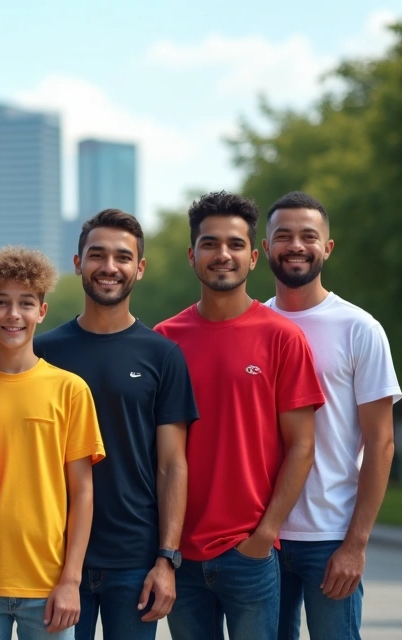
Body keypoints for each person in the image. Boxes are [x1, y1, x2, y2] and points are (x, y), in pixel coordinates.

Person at [155, 191, 324, 640]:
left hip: (247, 552)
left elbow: (302, 445)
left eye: (234, 245)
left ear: (253, 257)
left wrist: (264, 535)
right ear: (193, 256)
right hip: (179, 558)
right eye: (210, 244)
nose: (222, 255)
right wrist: (165, 549)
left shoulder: (283, 338)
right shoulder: (164, 341)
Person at [34, 209, 197, 640]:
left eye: (123, 257)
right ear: (78, 263)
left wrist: (166, 559)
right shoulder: (42, 353)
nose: (109, 267)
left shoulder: (163, 356)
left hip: (135, 560)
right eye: (97, 255)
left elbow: (172, 465)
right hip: (55, 559)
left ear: (139, 268)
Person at [262, 192, 400, 640]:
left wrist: (356, 544)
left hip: (331, 534)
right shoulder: (253, 326)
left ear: (328, 247)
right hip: (262, 534)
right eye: (283, 236)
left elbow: (380, 443)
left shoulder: (359, 328)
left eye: (308, 236)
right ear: (264, 248)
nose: (295, 245)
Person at [0, 246, 105, 640]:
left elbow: (83, 493)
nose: (13, 315)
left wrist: (71, 580)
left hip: (48, 588)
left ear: (41, 311)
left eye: (26, 303)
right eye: (1, 303)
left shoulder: (70, 390)